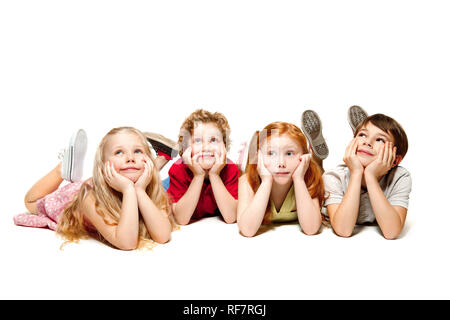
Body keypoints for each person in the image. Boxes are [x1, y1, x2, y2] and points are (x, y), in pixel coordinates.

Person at [14, 127, 173, 250]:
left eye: (138, 151)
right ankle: (62, 168)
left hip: (108, 184)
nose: (131, 158)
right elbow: (127, 243)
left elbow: (163, 236)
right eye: (119, 152)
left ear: (148, 160)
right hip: (70, 199)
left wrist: (139, 190)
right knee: (31, 202)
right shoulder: (89, 199)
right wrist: (129, 190)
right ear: (103, 166)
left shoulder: (151, 191)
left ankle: (162, 157)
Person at [320, 105, 411, 239]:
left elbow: (391, 232)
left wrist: (370, 176)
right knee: (314, 174)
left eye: (380, 139)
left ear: (395, 160)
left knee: (367, 145)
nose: (368, 142)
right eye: (362, 135)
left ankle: (365, 135)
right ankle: (316, 157)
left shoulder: (400, 177)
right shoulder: (334, 177)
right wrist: (356, 173)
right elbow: (343, 230)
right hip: (322, 196)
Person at [237, 121, 324, 237]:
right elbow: (247, 230)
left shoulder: (308, 178)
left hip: (307, 171)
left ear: (303, 156)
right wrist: (266, 181)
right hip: (258, 171)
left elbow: (311, 229)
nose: (281, 163)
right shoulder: (246, 181)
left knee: (322, 173)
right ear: (259, 157)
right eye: (271, 153)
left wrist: (299, 180)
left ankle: (317, 157)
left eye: (289, 154)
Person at [166, 109, 239, 225]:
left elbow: (231, 217)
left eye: (213, 140)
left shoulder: (231, 169)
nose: (206, 147)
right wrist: (198, 175)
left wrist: (214, 175)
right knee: (158, 194)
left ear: (224, 146)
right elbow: (181, 219)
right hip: (169, 185)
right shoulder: (177, 170)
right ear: (185, 148)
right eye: (198, 141)